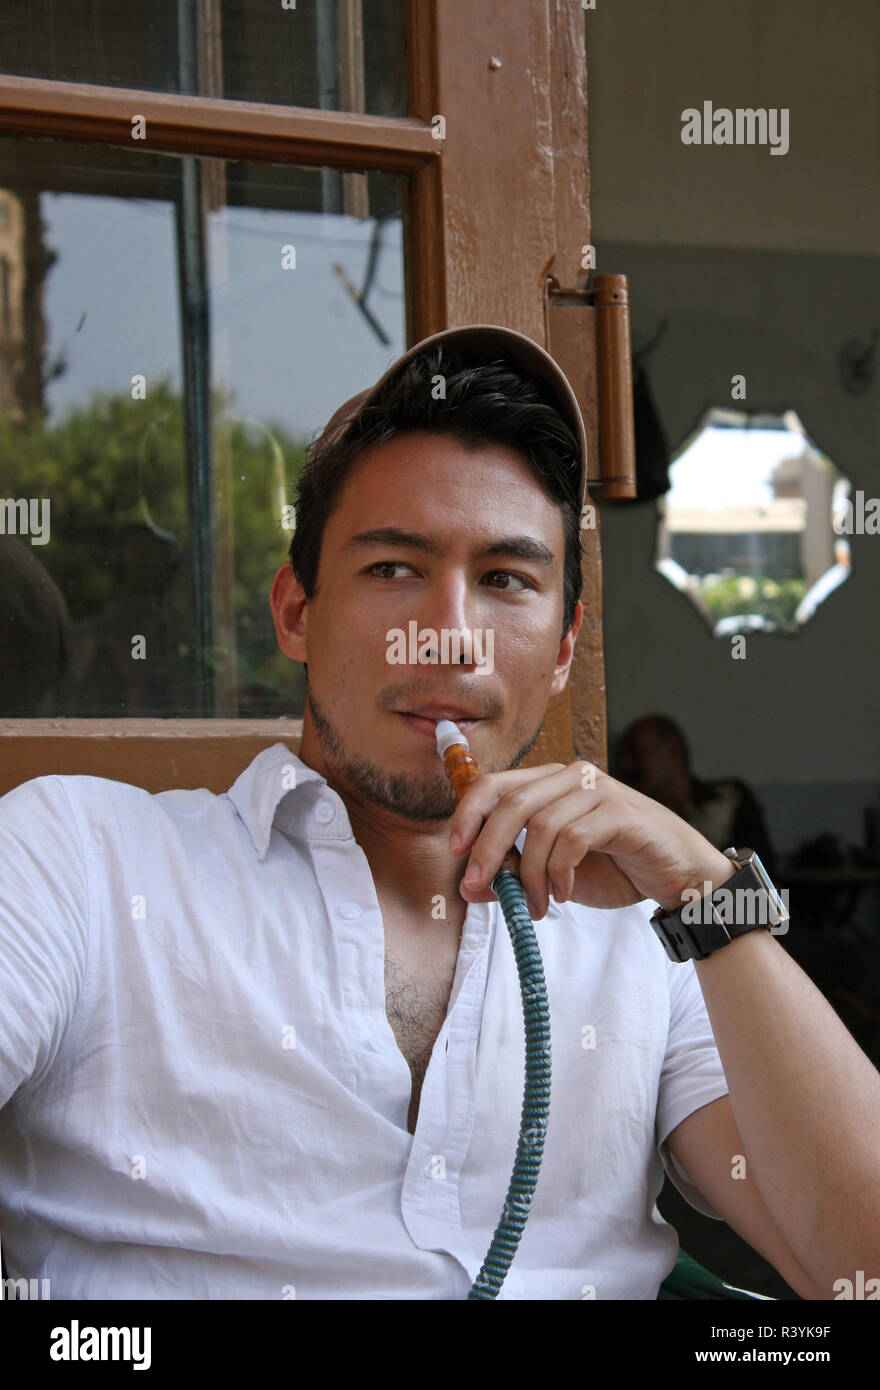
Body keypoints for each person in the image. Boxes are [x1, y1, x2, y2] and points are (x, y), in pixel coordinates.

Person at [1, 325, 878, 1301]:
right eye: (392, 568)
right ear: (296, 611)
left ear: (559, 648)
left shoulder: (650, 935)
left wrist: (710, 895)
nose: (447, 635)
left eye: (505, 580)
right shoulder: (77, 861)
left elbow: (856, 1268)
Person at [615, 715, 778, 879]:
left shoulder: (730, 797)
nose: (626, 765)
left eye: (638, 752)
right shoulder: (637, 816)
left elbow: (760, 871)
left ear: (674, 749)